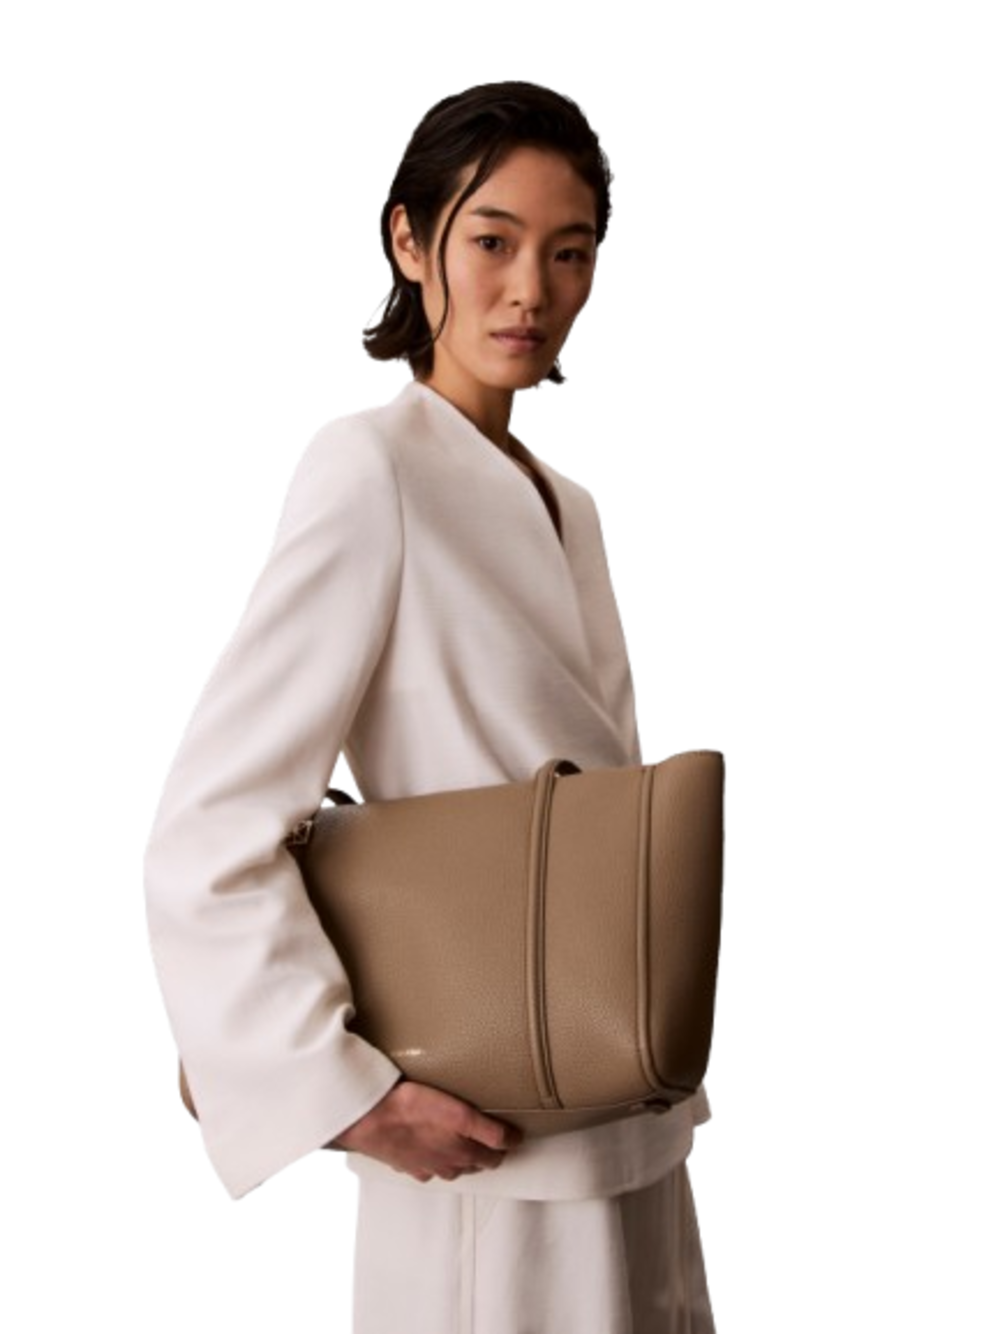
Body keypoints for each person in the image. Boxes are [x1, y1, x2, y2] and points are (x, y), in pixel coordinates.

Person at [145, 80, 715, 1333]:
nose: (530, 291)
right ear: (410, 241)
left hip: (630, 1117)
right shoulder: (370, 469)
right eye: (491, 240)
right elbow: (211, 824)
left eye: (569, 253)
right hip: (488, 1146)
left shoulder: (571, 505)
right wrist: (345, 1094)